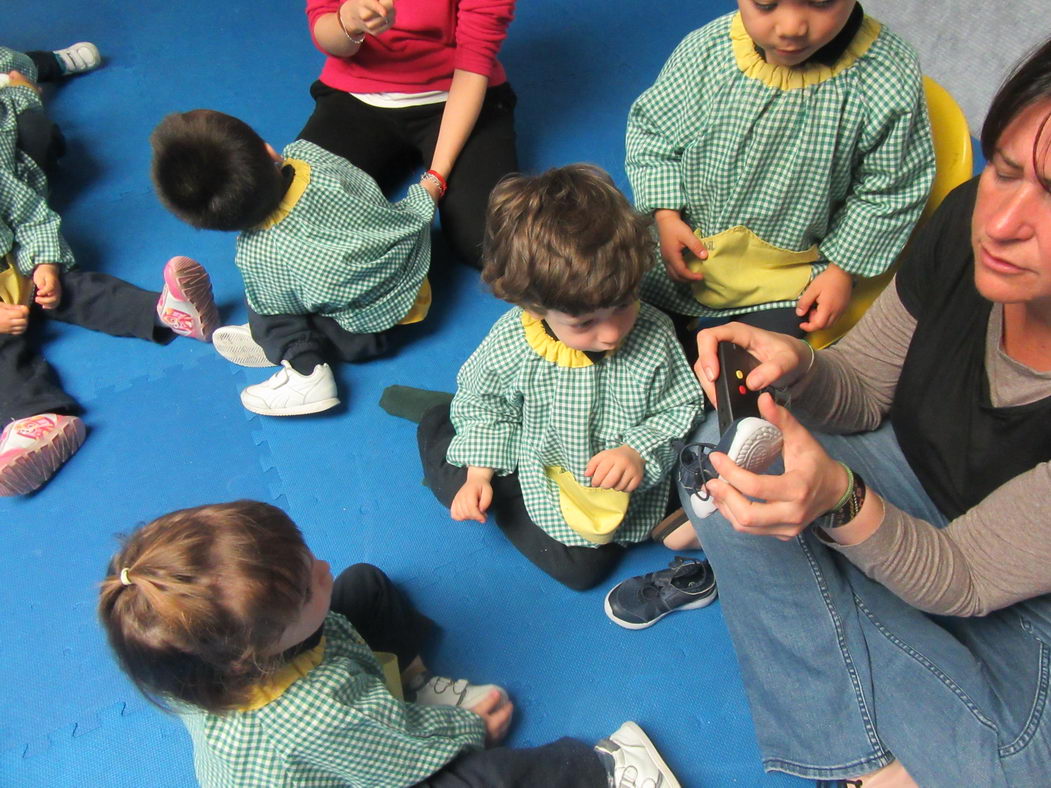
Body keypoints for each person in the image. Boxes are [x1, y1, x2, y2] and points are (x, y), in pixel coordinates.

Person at [611, 37, 1051, 787]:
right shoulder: (965, 224)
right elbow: (866, 389)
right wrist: (798, 366)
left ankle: (789, 606)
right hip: (908, 474)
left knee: (1007, 769)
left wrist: (836, 504)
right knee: (720, 459)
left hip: (1011, 590)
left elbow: (966, 577)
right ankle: (865, 765)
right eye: (1003, 170)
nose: (1002, 222)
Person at [97, 500, 682, 787]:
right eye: (306, 585)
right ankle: (602, 772)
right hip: (355, 763)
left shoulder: (198, 657)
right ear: (255, 650)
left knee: (362, 585)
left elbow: (333, 604)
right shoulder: (321, 713)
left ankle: (416, 681)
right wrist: (468, 730)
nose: (321, 566)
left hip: (338, 712)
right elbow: (402, 759)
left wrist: (313, 606)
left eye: (306, 555)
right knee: (483, 779)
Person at [413, 165, 704, 590]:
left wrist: (636, 451)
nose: (610, 334)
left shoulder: (655, 333)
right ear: (534, 308)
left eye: (623, 305)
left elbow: (681, 404)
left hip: (629, 480)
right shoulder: (515, 345)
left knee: (687, 486)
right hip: (543, 469)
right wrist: (477, 475)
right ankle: (439, 430)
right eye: (584, 323)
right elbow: (486, 402)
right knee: (581, 571)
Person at [625, 0, 935, 341]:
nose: (791, 27)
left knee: (749, 377)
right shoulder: (708, 48)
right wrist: (667, 216)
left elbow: (890, 190)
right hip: (681, 247)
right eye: (766, 4)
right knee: (624, 334)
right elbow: (654, 130)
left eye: (821, 2)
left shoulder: (888, 76)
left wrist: (842, 272)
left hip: (789, 279)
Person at [0, 44, 218, 497]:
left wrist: (46, 263)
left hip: (14, 265)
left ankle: (166, 312)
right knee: (6, 357)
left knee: (79, 289)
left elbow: (31, 214)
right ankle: (35, 419)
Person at [150, 109, 444, 417]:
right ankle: (276, 341)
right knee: (301, 283)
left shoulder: (259, 253)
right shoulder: (312, 158)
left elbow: (276, 305)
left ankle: (305, 368)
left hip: (365, 334)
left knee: (265, 308)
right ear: (269, 150)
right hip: (413, 277)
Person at [299, 0, 518, 268]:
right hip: (357, 97)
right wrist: (348, 23)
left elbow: (473, 65)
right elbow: (325, 29)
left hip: (458, 97)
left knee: (490, 244)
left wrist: (437, 176)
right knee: (299, 219)